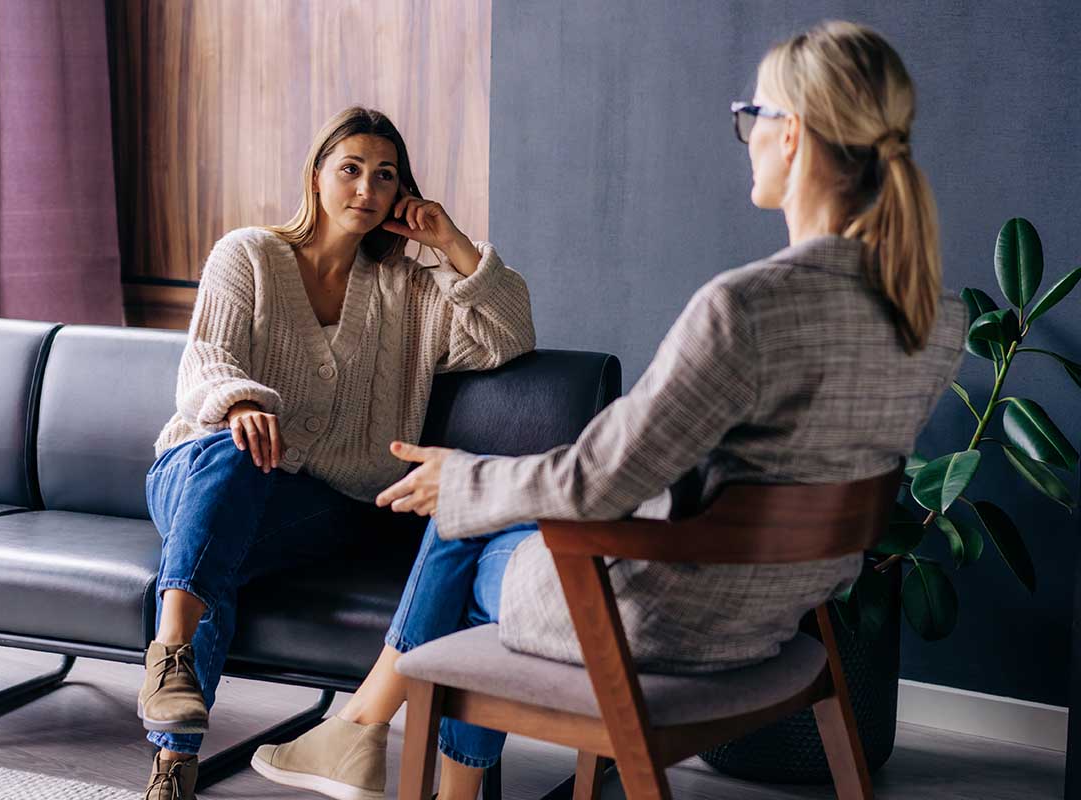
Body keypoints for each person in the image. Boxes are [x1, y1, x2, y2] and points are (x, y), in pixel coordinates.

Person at [253, 20, 967, 800]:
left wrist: (464, 482)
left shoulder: (747, 307)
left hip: (660, 620)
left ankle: (361, 736)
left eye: (750, 116)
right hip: (779, 614)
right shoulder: (934, 317)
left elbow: (602, 482)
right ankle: (367, 739)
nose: (747, 134)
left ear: (789, 134)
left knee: (461, 525)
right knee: (474, 512)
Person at [139, 106, 536, 800]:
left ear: (401, 194)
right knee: (235, 465)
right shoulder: (250, 253)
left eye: (385, 176)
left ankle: (178, 759)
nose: (366, 188)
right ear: (316, 177)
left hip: (321, 505)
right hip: (198, 468)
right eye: (350, 169)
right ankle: (170, 670)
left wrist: (453, 243)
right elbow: (205, 358)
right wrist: (241, 403)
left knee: (220, 551)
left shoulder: (410, 290)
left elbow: (510, 336)